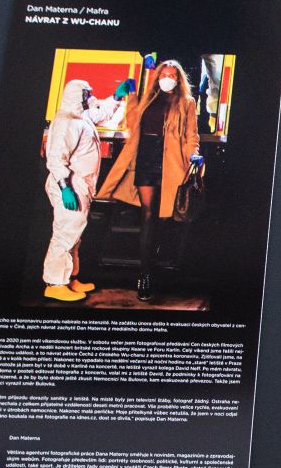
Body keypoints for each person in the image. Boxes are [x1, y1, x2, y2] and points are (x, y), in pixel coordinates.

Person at [97, 59, 203, 302]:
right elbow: (134, 123)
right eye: (163, 74)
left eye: (172, 75)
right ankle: (144, 274)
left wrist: (193, 155)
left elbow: (191, 135)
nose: (167, 78)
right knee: (147, 215)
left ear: (178, 79)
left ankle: (157, 262)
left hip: (171, 162)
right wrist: (131, 95)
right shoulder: (150, 98)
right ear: (157, 77)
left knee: (165, 217)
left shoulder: (187, 102)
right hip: (145, 158)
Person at [40, 79, 111, 302]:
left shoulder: (81, 117)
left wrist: (116, 98)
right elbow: (55, 158)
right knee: (65, 233)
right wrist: (65, 188)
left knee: (74, 233)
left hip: (79, 185)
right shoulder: (66, 122)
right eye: (86, 93)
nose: (90, 97)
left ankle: (69, 278)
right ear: (75, 95)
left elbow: (101, 114)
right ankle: (54, 283)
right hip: (69, 186)